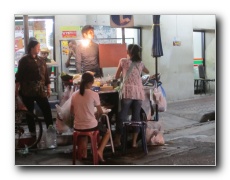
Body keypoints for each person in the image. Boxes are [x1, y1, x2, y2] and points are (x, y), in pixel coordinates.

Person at [114, 44, 149, 148]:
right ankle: (134, 142)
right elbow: (147, 71)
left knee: (122, 116)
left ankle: (118, 140)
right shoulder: (140, 63)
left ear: (129, 51)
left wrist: (123, 76)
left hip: (128, 91)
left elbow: (116, 76)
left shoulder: (123, 61)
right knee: (136, 117)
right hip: (138, 92)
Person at [15, 40, 53, 134]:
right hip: (27, 90)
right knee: (30, 112)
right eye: (37, 47)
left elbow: (46, 76)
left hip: (40, 90)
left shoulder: (41, 60)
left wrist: (48, 88)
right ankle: (32, 132)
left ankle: (51, 129)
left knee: (46, 109)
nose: (39, 48)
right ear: (32, 48)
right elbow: (19, 76)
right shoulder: (24, 60)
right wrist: (16, 90)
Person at [70, 72, 110, 162]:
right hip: (90, 125)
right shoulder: (94, 94)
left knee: (84, 135)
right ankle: (99, 151)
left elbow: (71, 112)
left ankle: (83, 154)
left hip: (77, 126)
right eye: (92, 83)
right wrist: (95, 115)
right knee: (107, 132)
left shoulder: (74, 95)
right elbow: (100, 112)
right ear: (89, 83)